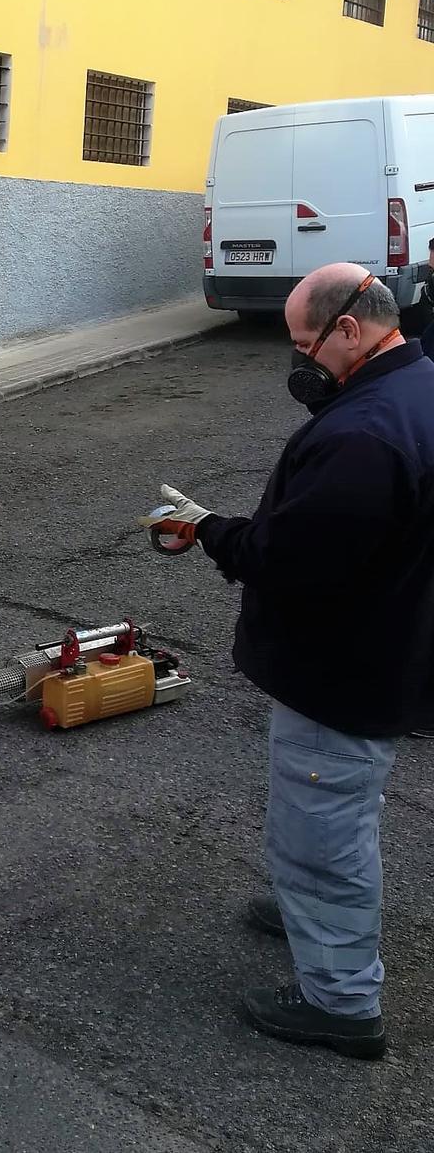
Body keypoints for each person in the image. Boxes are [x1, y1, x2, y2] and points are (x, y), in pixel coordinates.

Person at [140, 263, 434, 1060]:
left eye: (306, 344)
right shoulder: (417, 386)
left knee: (325, 830)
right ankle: (304, 906)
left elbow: (289, 558)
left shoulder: (363, 436)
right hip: (392, 648)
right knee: (335, 809)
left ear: (350, 329)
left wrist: (204, 529)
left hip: (344, 672)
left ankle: (341, 1004)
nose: (299, 362)